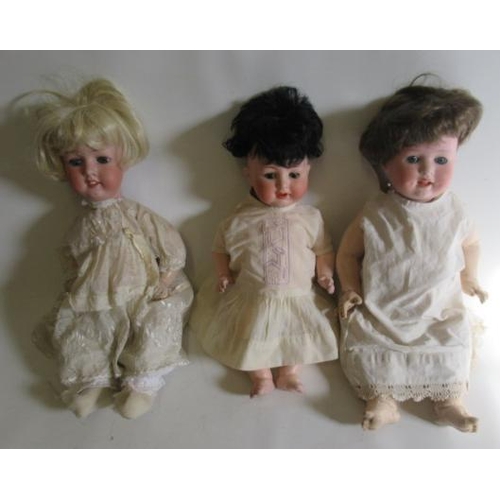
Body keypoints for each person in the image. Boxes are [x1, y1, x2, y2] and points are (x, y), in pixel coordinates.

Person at [31, 79, 193, 419]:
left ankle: (141, 384)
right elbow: (72, 256)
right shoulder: (79, 224)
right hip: (97, 294)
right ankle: (90, 380)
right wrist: (74, 283)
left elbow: (168, 242)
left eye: (102, 159)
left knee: (155, 323)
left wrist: (166, 277)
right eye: (76, 162)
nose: (90, 172)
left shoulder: (134, 214)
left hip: (144, 290)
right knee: (84, 329)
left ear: (123, 160)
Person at [336, 78, 488, 432]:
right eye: (414, 159)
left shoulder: (455, 210)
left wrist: (470, 277)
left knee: (452, 345)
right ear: (386, 164)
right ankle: (382, 400)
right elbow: (347, 253)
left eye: (441, 159)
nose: (427, 172)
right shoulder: (376, 211)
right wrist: (350, 289)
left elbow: (471, 244)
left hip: (438, 311)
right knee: (371, 346)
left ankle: (450, 401)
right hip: (384, 311)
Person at [190, 86, 338, 397]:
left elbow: (323, 248)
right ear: (248, 173)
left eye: (294, 175)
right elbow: (220, 248)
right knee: (250, 336)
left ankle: (289, 372)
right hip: (253, 297)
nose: (284, 186)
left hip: (297, 296)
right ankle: (260, 376)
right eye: (270, 176)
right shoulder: (237, 219)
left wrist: (325, 272)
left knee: (298, 336)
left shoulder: (310, 218)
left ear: (308, 170)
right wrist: (223, 274)